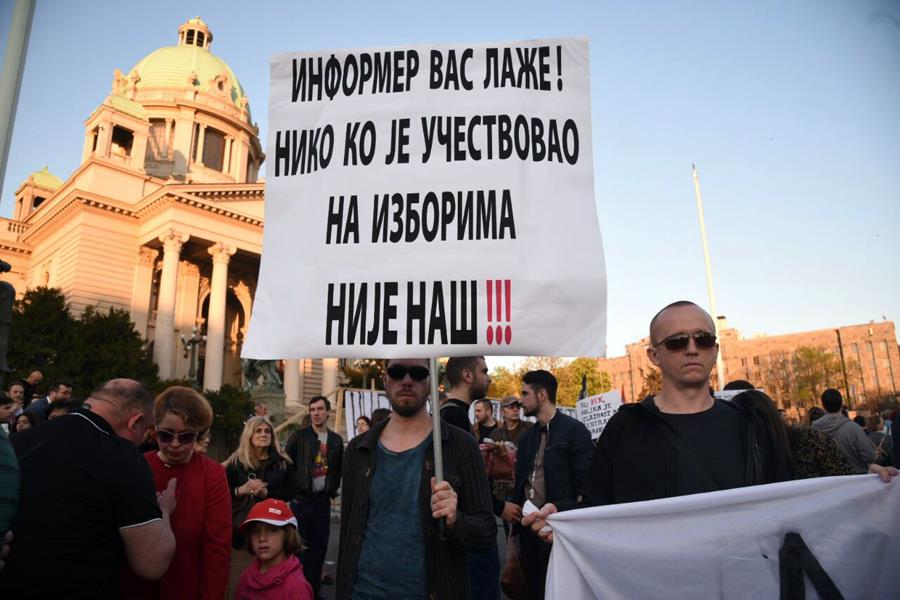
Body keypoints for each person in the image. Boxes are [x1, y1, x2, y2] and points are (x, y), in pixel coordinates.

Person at [0, 379, 175, 598]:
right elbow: (152, 563)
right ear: (135, 421)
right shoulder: (122, 457)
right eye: (146, 430)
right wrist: (165, 511)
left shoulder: (16, 442)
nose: (142, 440)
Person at [336, 358, 495, 599]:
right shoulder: (358, 450)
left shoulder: (461, 446)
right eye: (397, 371)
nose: (407, 380)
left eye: (418, 373)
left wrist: (455, 519)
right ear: (385, 378)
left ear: (432, 380)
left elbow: (486, 532)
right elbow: (348, 532)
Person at [121, 386, 231, 600]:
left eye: (186, 437)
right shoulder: (137, 466)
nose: (175, 444)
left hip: (187, 585)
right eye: (166, 435)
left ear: (197, 434)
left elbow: (217, 548)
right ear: (155, 430)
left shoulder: (212, 474)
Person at [513, 369, 593, 600]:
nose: (520, 400)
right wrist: (513, 536)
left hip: (559, 530)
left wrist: (572, 518)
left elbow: (584, 483)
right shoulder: (527, 437)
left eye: (525, 393)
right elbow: (521, 483)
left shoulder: (574, 430)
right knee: (533, 588)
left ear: (542, 395)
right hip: (528, 530)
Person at [285, 395, 342, 598]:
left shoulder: (335, 440)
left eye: (320, 409)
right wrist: (293, 489)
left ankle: (313, 591)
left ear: (328, 412)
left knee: (319, 551)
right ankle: (296, 592)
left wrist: (332, 488)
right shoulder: (299, 436)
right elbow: (286, 463)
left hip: (322, 502)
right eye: (312, 410)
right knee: (299, 550)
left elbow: (338, 468)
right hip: (302, 502)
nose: (316, 413)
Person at [226, 416, 295, 546]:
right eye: (258, 431)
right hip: (243, 524)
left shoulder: (282, 461)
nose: (263, 434)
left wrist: (267, 493)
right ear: (249, 435)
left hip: (274, 522)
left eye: (267, 431)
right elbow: (222, 492)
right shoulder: (236, 462)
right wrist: (241, 490)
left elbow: (292, 491)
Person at [235, 498, 313, 600]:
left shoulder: (297, 587)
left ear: (288, 534)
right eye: (255, 531)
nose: (262, 538)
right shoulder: (246, 577)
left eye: (272, 530)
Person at [812, 389, 875, 474]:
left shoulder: (813, 430)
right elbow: (869, 456)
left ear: (823, 406)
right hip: (855, 478)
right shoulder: (853, 428)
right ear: (841, 404)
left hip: (827, 481)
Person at [441, 356, 491, 433]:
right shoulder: (454, 416)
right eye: (484, 372)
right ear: (468, 375)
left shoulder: (451, 413)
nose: (489, 379)